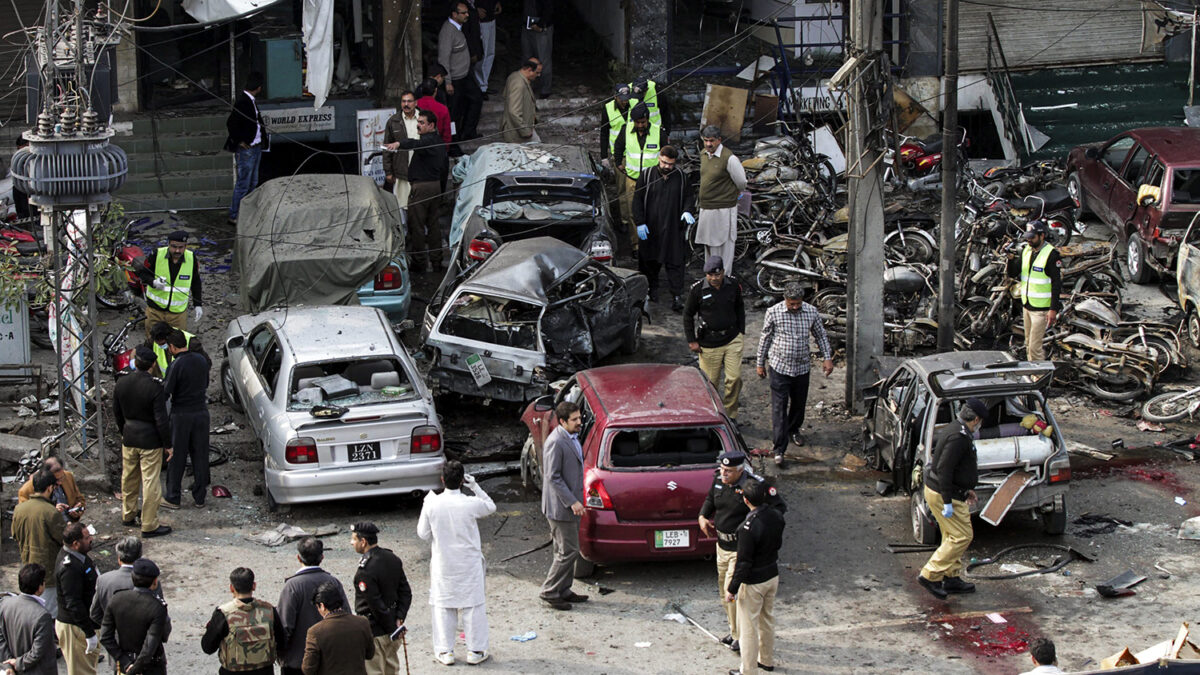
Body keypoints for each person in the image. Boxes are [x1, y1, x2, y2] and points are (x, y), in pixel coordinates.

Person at [698, 451, 785, 654]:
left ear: (740, 471)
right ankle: (735, 631)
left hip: (741, 548)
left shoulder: (754, 486)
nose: (723, 474)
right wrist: (702, 515)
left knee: (733, 591)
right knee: (723, 592)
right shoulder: (719, 480)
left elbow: (779, 509)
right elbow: (711, 499)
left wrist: (760, 531)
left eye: (728, 471)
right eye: (722, 469)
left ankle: (741, 638)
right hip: (721, 546)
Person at [417, 460, 496, 666]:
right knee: (473, 607)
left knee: (444, 606)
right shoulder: (470, 503)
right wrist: (475, 486)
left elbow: (423, 533)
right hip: (468, 563)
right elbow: (490, 506)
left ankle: (446, 651)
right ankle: (475, 651)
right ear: (462, 480)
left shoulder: (432, 504)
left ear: (442, 480)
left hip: (444, 563)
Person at [755, 282, 833, 468]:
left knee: (798, 404)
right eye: (792, 304)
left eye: (798, 304)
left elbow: (820, 335)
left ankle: (794, 429)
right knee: (779, 408)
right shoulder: (774, 312)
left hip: (802, 367)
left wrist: (827, 358)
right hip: (779, 367)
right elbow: (765, 337)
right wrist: (760, 363)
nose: (795, 307)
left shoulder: (811, 312)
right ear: (785, 300)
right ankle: (779, 448)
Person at [917, 397, 987, 600]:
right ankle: (930, 574)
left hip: (948, 492)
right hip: (944, 494)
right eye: (980, 421)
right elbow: (944, 469)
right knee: (962, 536)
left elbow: (955, 469)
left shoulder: (957, 429)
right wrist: (947, 500)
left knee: (951, 534)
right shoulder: (958, 437)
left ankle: (951, 576)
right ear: (975, 420)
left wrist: (966, 490)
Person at [725, 480, 785, 675]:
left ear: (745, 500)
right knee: (767, 619)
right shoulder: (776, 516)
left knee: (748, 627)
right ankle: (766, 660)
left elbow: (743, 563)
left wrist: (732, 589)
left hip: (754, 582)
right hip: (772, 574)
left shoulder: (747, 528)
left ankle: (748, 670)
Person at [113, 345, 173, 537]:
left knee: (129, 478)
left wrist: (124, 431)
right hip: (150, 440)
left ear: (135, 362)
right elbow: (161, 419)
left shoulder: (121, 381)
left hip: (129, 436)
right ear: (152, 364)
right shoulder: (155, 386)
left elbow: (117, 412)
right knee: (150, 482)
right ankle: (149, 524)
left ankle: (128, 514)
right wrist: (168, 444)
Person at [383, 110, 449, 273]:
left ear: (431, 125)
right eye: (418, 122)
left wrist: (399, 144)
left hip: (422, 188)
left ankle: (420, 262)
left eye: (422, 123)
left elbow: (415, 144)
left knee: (417, 225)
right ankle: (436, 261)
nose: (418, 125)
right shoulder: (439, 143)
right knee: (433, 226)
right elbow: (444, 169)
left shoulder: (428, 141)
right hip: (435, 187)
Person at [539, 401, 589, 611]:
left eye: (579, 418)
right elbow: (553, 477)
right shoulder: (556, 442)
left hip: (570, 504)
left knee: (564, 549)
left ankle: (564, 589)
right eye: (575, 420)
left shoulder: (571, 436)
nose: (579, 422)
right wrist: (573, 502)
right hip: (561, 507)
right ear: (562, 422)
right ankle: (550, 591)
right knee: (568, 551)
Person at [633, 145, 694, 309]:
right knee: (649, 262)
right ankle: (650, 290)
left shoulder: (681, 177)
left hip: (673, 229)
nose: (667, 167)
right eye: (665, 163)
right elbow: (637, 200)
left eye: (671, 164)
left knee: (675, 263)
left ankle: (677, 296)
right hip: (650, 229)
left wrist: (687, 211)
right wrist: (639, 222)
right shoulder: (646, 176)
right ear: (659, 158)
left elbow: (689, 196)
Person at [685, 256, 746, 417]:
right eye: (710, 275)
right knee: (710, 384)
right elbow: (687, 315)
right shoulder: (697, 290)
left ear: (723, 273)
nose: (714, 278)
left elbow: (740, 306)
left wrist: (741, 330)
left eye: (717, 275)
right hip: (709, 343)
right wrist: (692, 340)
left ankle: (730, 415)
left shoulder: (733, 285)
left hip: (732, 338)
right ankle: (711, 415)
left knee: (734, 379)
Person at [277, 538, 348, 675]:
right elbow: (345, 616)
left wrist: (281, 654)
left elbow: (285, 626)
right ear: (322, 557)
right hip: (330, 660)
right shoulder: (333, 582)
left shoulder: (292, 586)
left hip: (298, 662)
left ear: (298, 557)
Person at [350, 522, 412, 675]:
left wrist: (391, 627)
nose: (352, 543)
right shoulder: (392, 558)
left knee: (374, 671)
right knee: (392, 670)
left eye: (353, 539)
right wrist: (399, 618)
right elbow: (406, 592)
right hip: (393, 627)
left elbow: (375, 604)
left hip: (375, 631)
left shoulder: (365, 571)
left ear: (363, 542)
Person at [201, 567, 285, 675]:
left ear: (231, 588)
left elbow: (207, 647)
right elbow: (282, 643)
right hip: (264, 671)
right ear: (254, 586)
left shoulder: (223, 613)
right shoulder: (269, 611)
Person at [162, 329, 211, 510]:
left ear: (173, 347)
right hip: (201, 412)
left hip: (181, 414)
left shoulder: (175, 366)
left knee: (177, 456)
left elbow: (167, 392)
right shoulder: (201, 360)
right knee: (200, 454)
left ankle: (173, 497)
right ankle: (200, 497)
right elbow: (205, 383)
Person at [99, 558, 171, 675]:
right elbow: (151, 646)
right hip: (151, 667)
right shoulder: (157, 607)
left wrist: (125, 662)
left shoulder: (116, 599)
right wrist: (133, 670)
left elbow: (105, 637)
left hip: (125, 663)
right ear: (155, 582)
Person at [695, 126, 747, 276]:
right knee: (709, 249)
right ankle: (711, 279)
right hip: (706, 210)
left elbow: (742, 183)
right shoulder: (704, 154)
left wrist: (729, 195)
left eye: (712, 141)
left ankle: (725, 280)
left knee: (722, 249)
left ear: (719, 140)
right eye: (705, 140)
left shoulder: (729, 158)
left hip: (723, 211)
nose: (708, 144)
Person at [1006, 220, 1061, 361]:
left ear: (1042, 236)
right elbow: (1013, 273)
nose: (1029, 240)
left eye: (1032, 237)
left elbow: (1056, 284)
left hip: (1041, 309)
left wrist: (1053, 309)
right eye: (1027, 237)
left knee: (1034, 347)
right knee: (1028, 343)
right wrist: (1010, 260)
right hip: (1027, 305)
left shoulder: (1051, 255)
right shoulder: (1027, 251)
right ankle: (1033, 373)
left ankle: (1039, 377)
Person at [11, 469, 64, 617]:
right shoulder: (51, 512)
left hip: (27, 567)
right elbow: (64, 539)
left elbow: (15, 535)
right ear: (49, 488)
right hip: (47, 574)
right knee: (49, 615)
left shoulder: (19, 509)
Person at [613, 103, 663, 254]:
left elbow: (666, 152)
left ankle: (653, 244)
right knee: (633, 213)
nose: (640, 125)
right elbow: (618, 148)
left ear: (647, 119)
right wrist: (618, 164)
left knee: (654, 213)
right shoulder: (626, 131)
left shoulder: (658, 132)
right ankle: (637, 246)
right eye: (638, 122)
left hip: (653, 181)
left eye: (643, 122)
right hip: (632, 180)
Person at [137, 231, 203, 341]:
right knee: (152, 341)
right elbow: (143, 273)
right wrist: (153, 282)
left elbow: (196, 281)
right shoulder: (156, 254)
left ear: (186, 246)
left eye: (181, 247)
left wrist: (198, 304)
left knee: (177, 343)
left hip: (178, 314)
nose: (177, 250)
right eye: (174, 247)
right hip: (155, 311)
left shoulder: (191, 259)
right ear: (168, 244)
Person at [301, 581, 373, 675]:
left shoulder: (315, 632)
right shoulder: (362, 622)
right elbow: (370, 654)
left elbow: (308, 668)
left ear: (322, 606)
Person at [55, 522, 99, 675]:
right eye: (87, 538)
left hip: (83, 624)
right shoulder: (70, 568)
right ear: (75, 544)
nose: (91, 539)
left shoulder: (79, 557)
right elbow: (73, 603)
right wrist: (89, 633)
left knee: (88, 668)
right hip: (75, 628)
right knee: (82, 672)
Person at [90, 537, 164, 629]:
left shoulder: (103, 580)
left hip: (113, 638)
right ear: (140, 556)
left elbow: (95, 614)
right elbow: (160, 615)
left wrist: (113, 629)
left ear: (119, 558)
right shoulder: (150, 581)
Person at [224, 71, 267, 226]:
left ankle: (246, 213)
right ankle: (235, 215)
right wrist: (239, 141)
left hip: (255, 147)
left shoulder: (250, 100)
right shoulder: (243, 101)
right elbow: (231, 123)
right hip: (247, 149)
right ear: (259, 87)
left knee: (252, 182)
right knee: (244, 183)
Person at [0, 564, 57, 675]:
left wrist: (9, 664)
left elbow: (1, 637)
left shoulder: (5, 604)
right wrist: (18, 663)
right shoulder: (42, 615)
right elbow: (37, 651)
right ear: (40, 587)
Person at [438, 2, 483, 142]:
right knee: (454, 112)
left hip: (465, 75)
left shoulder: (459, 28)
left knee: (476, 98)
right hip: (455, 79)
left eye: (467, 12)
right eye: (463, 13)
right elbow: (443, 59)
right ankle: (452, 141)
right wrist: (448, 82)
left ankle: (468, 132)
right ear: (454, 14)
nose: (467, 15)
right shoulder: (448, 32)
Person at [382, 91, 420, 209]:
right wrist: (388, 172)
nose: (406, 104)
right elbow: (387, 148)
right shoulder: (393, 121)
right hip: (402, 172)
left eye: (409, 101)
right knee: (402, 206)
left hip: (421, 171)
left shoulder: (424, 119)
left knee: (419, 207)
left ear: (415, 103)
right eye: (403, 101)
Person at [17, 456, 84, 521]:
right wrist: (51, 512)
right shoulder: (26, 491)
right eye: (56, 480)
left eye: (62, 478)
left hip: (70, 523)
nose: (60, 482)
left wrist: (77, 510)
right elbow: (28, 518)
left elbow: (80, 499)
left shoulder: (68, 477)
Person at [500, 58, 541, 143]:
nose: (539, 75)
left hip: (524, 126)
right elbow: (514, 112)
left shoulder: (514, 76)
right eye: (537, 72)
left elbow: (505, 95)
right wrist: (525, 131)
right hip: (516, 132)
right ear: (529, 70)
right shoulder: (519, 84)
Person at [521, 0, 553, 98]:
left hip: (541, 27)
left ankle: (545, 89)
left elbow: (550, 7)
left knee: (543, 58)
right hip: (527, 25)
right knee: (527, 57)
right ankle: (528, 84)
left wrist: (542, 24)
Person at [473, 0, 501, 94]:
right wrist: (474, 9)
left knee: (490, 52)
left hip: (491, 16)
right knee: (482, 53)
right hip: (479, 20)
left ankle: (484, 84)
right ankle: (480, 86)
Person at [416, 78, 452, 147]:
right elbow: (447, 134)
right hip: (437, 147)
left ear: (421, 90)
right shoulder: (443, 109)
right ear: (436, 90)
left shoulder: (414, 105)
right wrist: (444, 150)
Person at [600, 84, 632, 162]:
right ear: (615, 97)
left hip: (634, 152)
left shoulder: (636, 104)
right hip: (618, 154)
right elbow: (604, 133)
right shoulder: (608, 108)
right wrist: (604, 157)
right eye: (622, 100)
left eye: (627, 99)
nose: (625, 102)